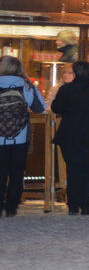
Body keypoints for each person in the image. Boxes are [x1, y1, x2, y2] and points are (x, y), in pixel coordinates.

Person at [50, 61, 89, 215]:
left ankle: (73, 205)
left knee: (73, 170)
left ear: (75, 72)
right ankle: (86, 205)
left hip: (70, 136)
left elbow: (56, 108)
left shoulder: (66, 89)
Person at [0, 57, 45, 217]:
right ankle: (12, 207)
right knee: (17, 172)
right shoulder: (26, 85)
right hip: (20, 136)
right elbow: (40, 108)